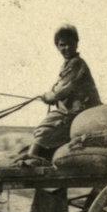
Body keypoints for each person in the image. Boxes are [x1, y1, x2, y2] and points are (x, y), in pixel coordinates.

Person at [23, 24, 102, 162]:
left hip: (80, 110)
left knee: (46, 126)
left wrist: (49, 96)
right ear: (57, 47)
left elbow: (61, 90)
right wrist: (51, 96)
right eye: (62, 45)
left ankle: (31, 156)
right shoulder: (68, 64)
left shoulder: (76, 63)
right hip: (73, 109)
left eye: (70, 44)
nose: (66, 48)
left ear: (77, 43)